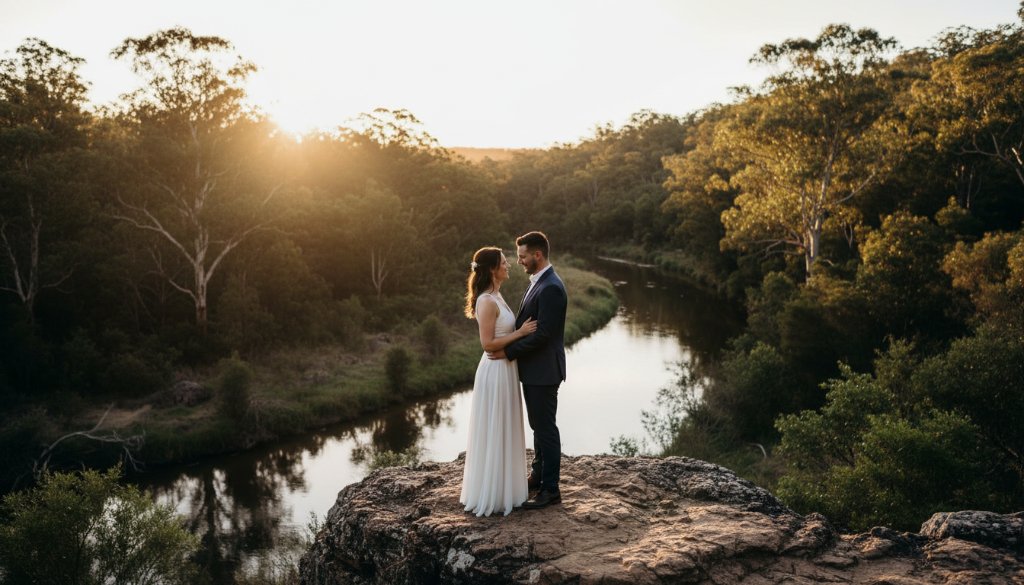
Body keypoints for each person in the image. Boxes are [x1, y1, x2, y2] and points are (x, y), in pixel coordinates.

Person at [488, 231, 567, 510]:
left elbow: (543, 335)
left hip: (544, 371)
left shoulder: (551, 288)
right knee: (538, 425)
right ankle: (537, 474)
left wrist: (507, 352)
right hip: (535, 370)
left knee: (545, 429)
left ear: (537, 255)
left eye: (522, 256)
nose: (518, 261)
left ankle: (551, 490)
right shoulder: (539, 283)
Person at [459, 247, 537, 516]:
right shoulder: (486, 301)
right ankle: (492, 492)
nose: (509, 265)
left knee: (504, 424)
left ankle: (507, 488)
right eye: (504, 263)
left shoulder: (496, 295)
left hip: (506, 368)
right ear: (493, 269)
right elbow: (488, 344)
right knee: (495, 426)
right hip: (494, 371)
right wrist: (521, 333)